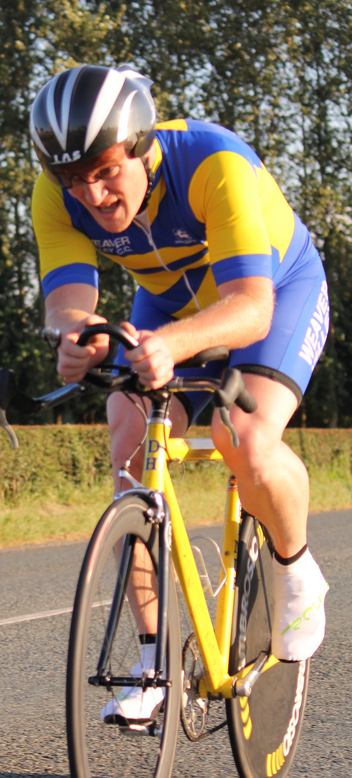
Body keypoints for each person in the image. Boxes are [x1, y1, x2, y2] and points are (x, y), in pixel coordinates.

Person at [30, 64, 330, 722]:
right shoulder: (54, 196)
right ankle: (153, 664)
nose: (92, 193)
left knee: (242, 437)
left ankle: (295, 568)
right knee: (127, 440)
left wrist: (170, 345)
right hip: (168, 305)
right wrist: (74, 338)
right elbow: (68, 303)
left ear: (140, 145)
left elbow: (250, 309)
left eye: (105, 170)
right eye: (73, 179)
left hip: (275, 294)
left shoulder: (213, 163)